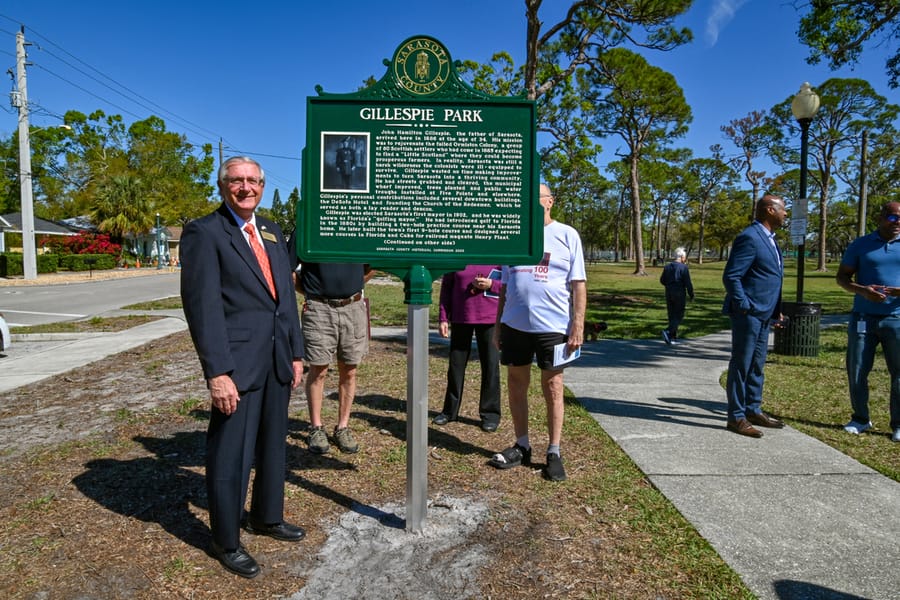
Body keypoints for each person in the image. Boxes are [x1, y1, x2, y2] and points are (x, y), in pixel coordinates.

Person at [180, 156, 306, 579]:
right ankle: (225, 539)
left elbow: (283, 300)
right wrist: (217, 373)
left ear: (262, 186)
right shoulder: (204, 232)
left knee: (273, 444)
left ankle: (266, 517)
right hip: (235, 365)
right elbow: (203, 308)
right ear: (222, 186)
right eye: (237, 180)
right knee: (230, 453)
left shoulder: (269, 229)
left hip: (275, 359)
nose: (246, 187)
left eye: (253, 180)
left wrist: (296, 351)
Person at [488, 183, 586, 481]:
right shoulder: (513, 235)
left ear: (550, 202)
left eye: (536, 198)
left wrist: (578, 323)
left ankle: (553, 451)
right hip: (515, 324)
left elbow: (578, 284)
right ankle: (522, 444)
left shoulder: (567, 235)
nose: (529, 204)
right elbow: (504, 287)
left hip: (553, 327)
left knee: (553, 387)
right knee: (517, 384)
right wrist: (497, 325)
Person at [722, 194, 788, 438]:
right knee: (742, 364)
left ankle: (752, 408)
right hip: (748, 314)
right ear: (770, 210)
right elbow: (731, 276)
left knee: (757, 364)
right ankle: (736, 417)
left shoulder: (770, 239)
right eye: (783, 210)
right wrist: (744, 305)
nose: (786, 214)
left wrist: (776, 308)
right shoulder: (750, 237)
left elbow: (771, 277)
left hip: (765, 312)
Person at [836, 202, 900, 443]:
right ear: (881, 218)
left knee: (899, 372)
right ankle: (860, 418)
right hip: (863, 318)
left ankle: (898, 424)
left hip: (897, 319)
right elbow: (842, 277)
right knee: (858, 369)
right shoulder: (861, 245)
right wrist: (863, 291)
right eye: (893, 218)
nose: (897, 223)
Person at [296, 261, 372, 454]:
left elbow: (373, 264)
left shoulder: (358, 230)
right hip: (318, 309)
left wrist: (354, 286)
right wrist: (312, 293)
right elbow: (286, 268)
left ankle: (343, 427)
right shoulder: (307, 231)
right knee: (318, 369)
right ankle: (316, 427)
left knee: (349, 370)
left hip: (353, 307)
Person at [433, 265, 503, 432]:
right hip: (461, 317)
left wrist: (491, 284)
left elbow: (510, 285)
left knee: (490, 367)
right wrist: (443, 318)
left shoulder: (497, 254)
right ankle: (449, 411)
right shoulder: (459, 254)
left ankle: (490, 414)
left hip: (490, 320)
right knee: (455, 367)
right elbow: (447, 287)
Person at [659, 247, 694, 345]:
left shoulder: (667, 267)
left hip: (669, 292)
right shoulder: (683, 268)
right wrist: (691, 294)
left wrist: (669, 285)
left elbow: (662, 280)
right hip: (679, 293)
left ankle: (672, 337)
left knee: (672, 314)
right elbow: (688, 283)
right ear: (682, 257)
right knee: (679, 315)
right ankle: (668, 331)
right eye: (685, 257)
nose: (685, 259)